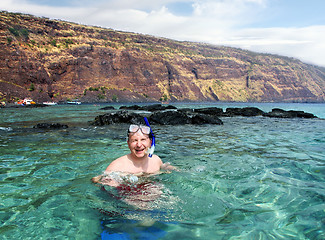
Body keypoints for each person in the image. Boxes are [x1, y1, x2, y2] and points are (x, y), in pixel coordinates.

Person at [91, 122, 174, 187]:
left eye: (143, 140)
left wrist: (169, 168)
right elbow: (96, 180)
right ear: (128, 143)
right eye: (134, 140)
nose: (139, 144)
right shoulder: (117, 166)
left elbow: (163, 167)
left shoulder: (156, 160)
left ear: (150, 142)